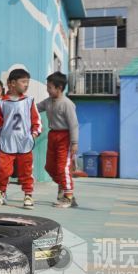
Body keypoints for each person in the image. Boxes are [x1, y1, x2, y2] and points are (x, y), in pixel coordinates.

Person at [0, 68, 41, 208]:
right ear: (11, 83)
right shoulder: (1, 102)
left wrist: (34, 133)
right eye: (23, 82)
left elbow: (36, 120)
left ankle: (28, 194)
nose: (26, 85)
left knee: (26, 170)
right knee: (3, 170)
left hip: (24, 142)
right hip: (7, 142)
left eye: (27, 82)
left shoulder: (29, 101)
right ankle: (0, 192)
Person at [38, 72, 79, 208]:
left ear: (59, 87)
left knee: (62, 167)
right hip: (53, 136)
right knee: (50, 167)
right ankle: (63, 186)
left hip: (65, 138)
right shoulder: (48, 101)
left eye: (50, 87)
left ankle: (68, 197)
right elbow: (35, 108)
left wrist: (74, 143)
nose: (47, 90)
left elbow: (73, 124)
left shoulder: (67, 104)